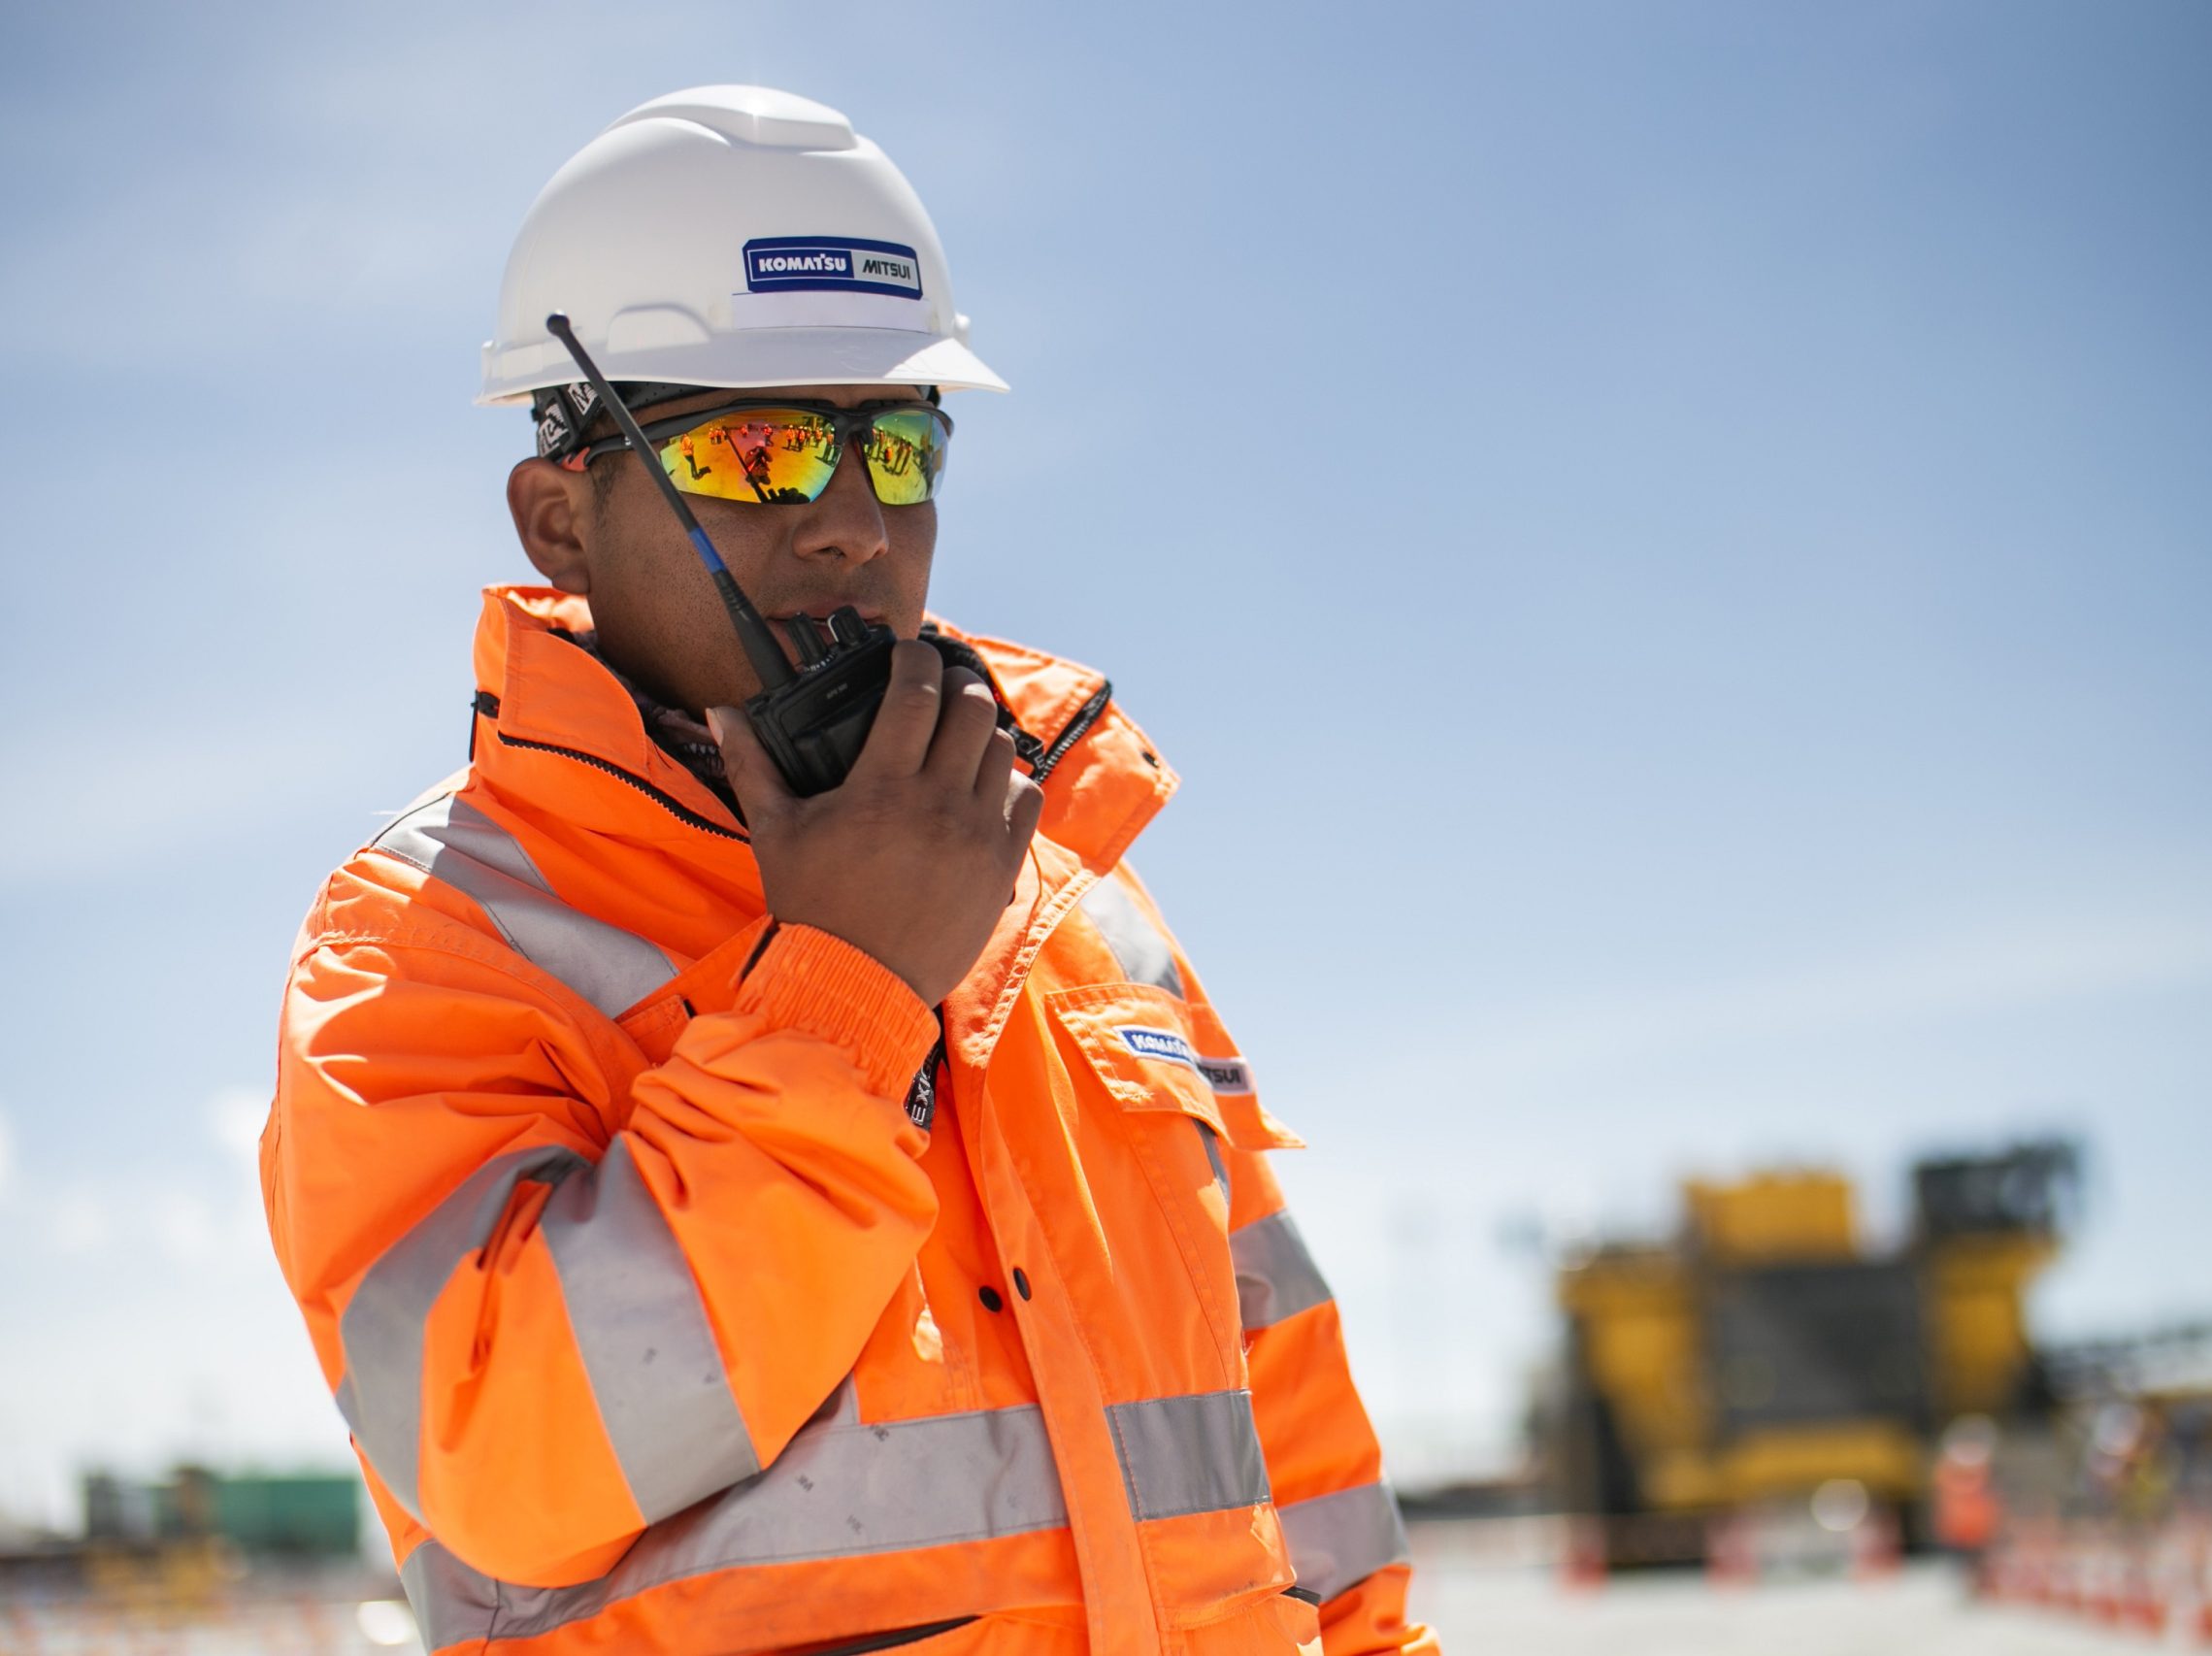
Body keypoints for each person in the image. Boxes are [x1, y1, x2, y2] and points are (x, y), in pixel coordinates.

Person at [259, 85, 1436, 1656]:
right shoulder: (434, 933)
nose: (851, 524)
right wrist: (843, 998)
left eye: (896, 447)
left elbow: (1289, 1435)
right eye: (760, 452)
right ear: (561, 515)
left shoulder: (1073, 898)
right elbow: (504, 1448)